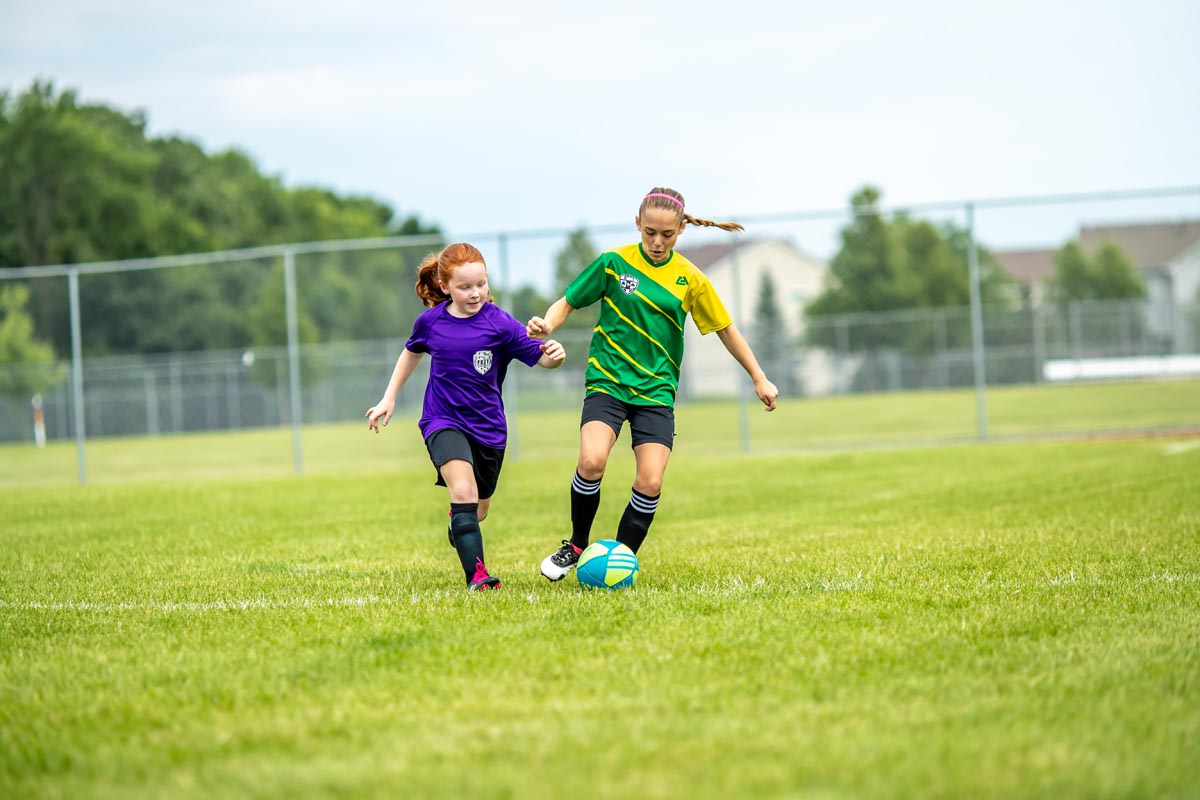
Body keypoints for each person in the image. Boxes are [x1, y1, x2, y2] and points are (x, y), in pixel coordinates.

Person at [527, 187, 779, 581]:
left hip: (656, 392)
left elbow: (726, 330)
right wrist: (547, 324)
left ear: (681, 229)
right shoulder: (613, 263)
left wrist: (759, 377)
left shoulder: (690, 279)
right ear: (637, 225)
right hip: (607, 381)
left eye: (667, 235)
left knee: (650, 480)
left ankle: (619, 561)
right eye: (649, 233)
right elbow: (568, 301)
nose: (657, 242)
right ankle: (576, 545)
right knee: (591, 461)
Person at [366, 242, 566, 590]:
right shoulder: (430, 322)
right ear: (445, 287)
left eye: (481, 284)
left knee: (478, 509)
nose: (475, 293)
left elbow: (541, 357)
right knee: (462, 490)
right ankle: (478, 576)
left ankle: (459, 523)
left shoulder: (500, 323)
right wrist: (389, 396)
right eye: (465, 287)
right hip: (442, 421)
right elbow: (411, 353)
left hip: (489, 430)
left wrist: (555, 355)